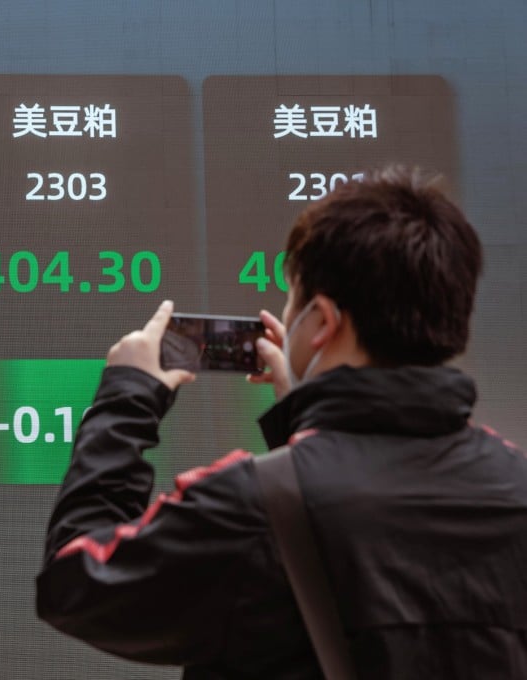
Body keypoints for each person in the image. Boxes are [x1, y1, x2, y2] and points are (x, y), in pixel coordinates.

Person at [36, 167, 527, 678]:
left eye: (293, 302)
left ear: (321, 323)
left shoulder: (253, 506)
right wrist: (306, 419)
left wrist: (127, 396)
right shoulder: (515, 486)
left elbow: (77, 583)